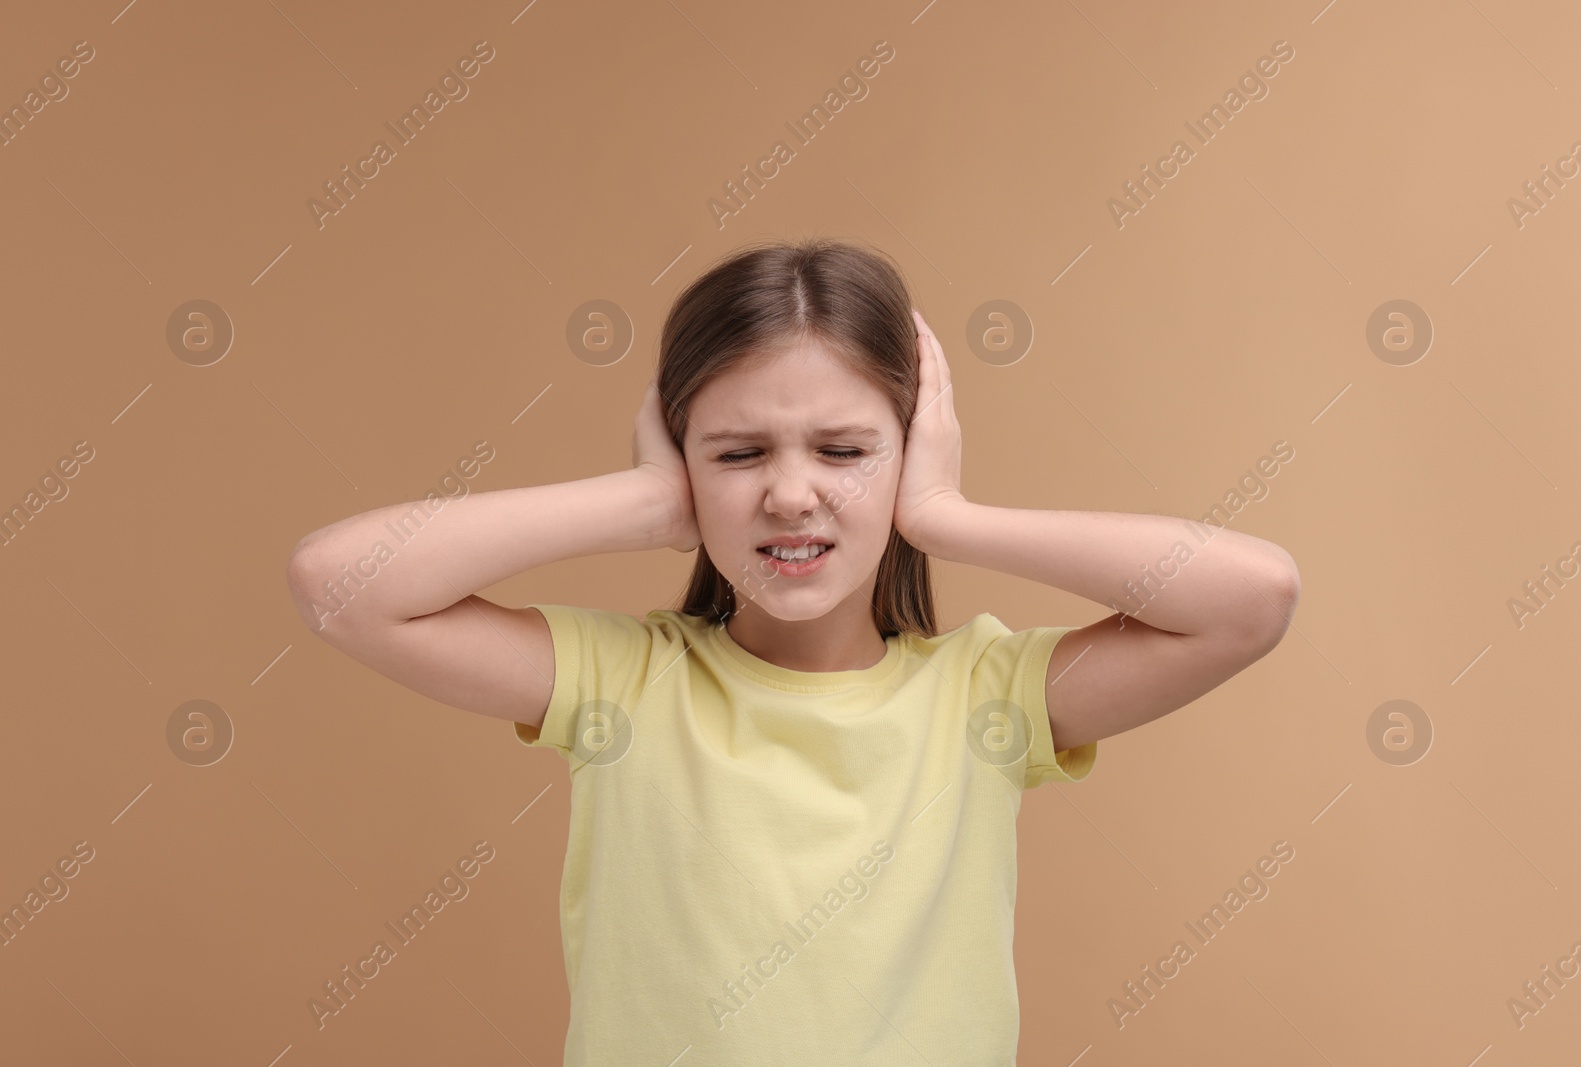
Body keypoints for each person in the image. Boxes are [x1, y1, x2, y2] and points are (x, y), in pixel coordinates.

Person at [285, 237, 1301, 1065]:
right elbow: (340, 582)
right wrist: (641, 503)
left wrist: (945, 515)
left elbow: (1253, 597)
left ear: (910, 450)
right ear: (682, 460)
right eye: (737, 453)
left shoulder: (987, 700)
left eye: (844, 450)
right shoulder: (625, 684)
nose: (790, 492)